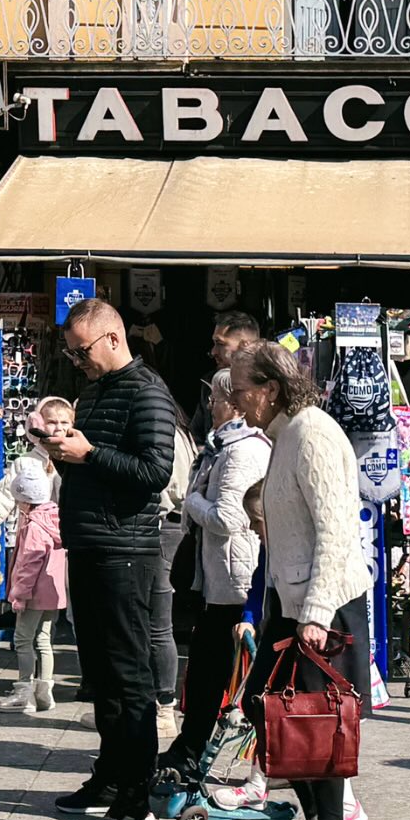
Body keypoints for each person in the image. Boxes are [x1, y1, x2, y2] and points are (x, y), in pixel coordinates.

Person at [232, 339, 370, 820]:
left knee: (317, 724)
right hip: (292, 602)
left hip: (323, 606)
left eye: (241, 390)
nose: (235, 400)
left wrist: (315, 613)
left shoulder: (311, 433)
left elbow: (337, 531)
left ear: (269, 389)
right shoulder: (285, 433)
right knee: (262, 706)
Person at [46, 298, 179, 820]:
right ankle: (108, 775)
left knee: (128, 674)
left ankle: (136, 791)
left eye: (82, 352)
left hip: (126, 550)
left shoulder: (147, 392)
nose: (78, 362)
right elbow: (97, 464)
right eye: (71, 354)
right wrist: (64, 454)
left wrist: (89, 455)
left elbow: (155, 471)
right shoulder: (97, 390)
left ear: (113, 338)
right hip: (89, 545)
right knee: (99, 673)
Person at [160, 367, 271, 781]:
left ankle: (195, 749)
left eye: (217, 399)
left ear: (236, 404)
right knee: (207, 665)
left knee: (213, 667)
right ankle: (190, 746)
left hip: (234, 580)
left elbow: (230, 517)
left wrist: (191, 502)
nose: (210, 406)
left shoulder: (241, 452)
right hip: (219, 575)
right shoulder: (220, 446)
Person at [0, 396, 74, 716]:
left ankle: (26, 690)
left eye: (64, 423)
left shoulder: (76, 461)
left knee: (30, 635)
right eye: (52, 422)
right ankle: (43, 690)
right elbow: (0, 500)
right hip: (56, 560)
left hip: (46, 558)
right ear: (37, 426)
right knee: (44, 636)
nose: (58, 428)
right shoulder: (25, 464)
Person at [152, 412, 197, 743]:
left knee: (158, 624)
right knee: (158, 624)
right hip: (172, 525)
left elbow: (171, 487)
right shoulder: (180, 432)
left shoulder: (164, 430)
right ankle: (159, 705)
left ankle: (163, 708)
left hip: (165, 525)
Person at [193, 311, 263, 442]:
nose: (213, 352)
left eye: (220, 344)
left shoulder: (264, 387)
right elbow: (196, 435)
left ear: (245, 345)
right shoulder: (209, 383)